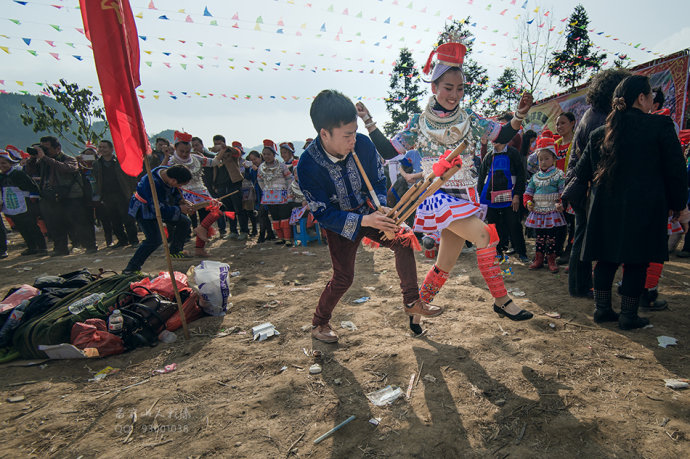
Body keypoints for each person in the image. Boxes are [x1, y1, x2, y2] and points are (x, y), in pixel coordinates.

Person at [356, 41, 534, 325]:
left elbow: (500, 135)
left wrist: (520, 115)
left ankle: (417, 310)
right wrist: (369, 122)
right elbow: (390, 151)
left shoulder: (470, 119)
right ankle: (502, 301)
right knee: (485, 236)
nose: (454, 94)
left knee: (444, 263)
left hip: (465, 198)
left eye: (460, 88)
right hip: (437, 197)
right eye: (448, 88)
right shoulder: (418, 122)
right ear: (434, 88)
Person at [298, 89, 438, 342]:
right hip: (339, 224)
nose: (353, 140)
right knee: (343, 278)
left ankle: (411, 301)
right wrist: (363, 221)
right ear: (325, 134)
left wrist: (381, 206)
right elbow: (322, 212)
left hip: (370, 210)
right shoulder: (307, 164)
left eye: (354, 132)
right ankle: (320, 323)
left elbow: (377, 179)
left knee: (403, 238)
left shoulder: (362, 144)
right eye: (347, 135)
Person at [572, 75, 687, 330]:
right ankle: (628, 314)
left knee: (605, 259)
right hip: (644, 207)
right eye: (650, 97)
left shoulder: (601, 133)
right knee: (637, 261)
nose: (651, 103)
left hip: (604, 207)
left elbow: (582, 171)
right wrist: (681, 205)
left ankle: (602, 309)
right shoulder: (660, 126)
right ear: (641, 98)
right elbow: (676, 170)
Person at [564, 68, 630, 298]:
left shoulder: (590, 114)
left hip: (581, 183)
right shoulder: (603, 118)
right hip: (590, 186)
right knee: (585, 238)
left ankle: (578, 285)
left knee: (581, 236)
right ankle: (581, 286)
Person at [24, 136, 97, 256]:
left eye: (46, 148)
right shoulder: (42, 162)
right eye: (42, 148)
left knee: (80, 223)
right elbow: (30, 172)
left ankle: (90, 246)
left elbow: (67, 168)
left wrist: (45, 158)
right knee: (55, 224)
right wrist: (32, 158)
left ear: (58, 148)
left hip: (71, 197)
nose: (44, 151)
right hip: (51, 197)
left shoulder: (68, 159)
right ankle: (60, 248)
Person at [123, 164, 193, 273]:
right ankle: (131, 268)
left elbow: (175, 191)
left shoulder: (167, 171)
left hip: (163, 205)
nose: (180, 187)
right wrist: (179, 209)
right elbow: (158, 210)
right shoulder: (151, 184)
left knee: (184, 222)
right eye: (180, 185)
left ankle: (175, 251)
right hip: (144, 209)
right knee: (154, 240)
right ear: (174, 181)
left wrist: (180, 200)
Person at [164, 131, 223, 256]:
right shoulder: (170, 162)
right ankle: (175, 250)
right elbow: (161, 174)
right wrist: (165, 156)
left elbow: (214, 162)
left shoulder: (196, 158)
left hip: (201, 192)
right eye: (182, 151)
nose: (185, 154)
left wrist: (223, 149)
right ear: (175, 148)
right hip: (181, 194)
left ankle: (199, 248)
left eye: (187, 151)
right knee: (183, 222)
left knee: (214, 212)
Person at [477, 137, 528, 263]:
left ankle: (521, 252)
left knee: (514, 224)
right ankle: (497, 252)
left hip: (510, 196)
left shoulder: (513, 153)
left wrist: (517, 195)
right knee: (494, 225)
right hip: (491, 197)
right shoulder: (489, 156)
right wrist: (480, 199)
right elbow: (481, 177)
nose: (494, 141)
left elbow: (521, 174)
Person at [523, 135, 566, 273]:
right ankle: (539, 259)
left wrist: (561, 203)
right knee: (540, 237)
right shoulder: (535, 177)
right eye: (541, 159)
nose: (543, 162)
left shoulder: (559, 175)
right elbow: (528, 193)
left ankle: (551, 259)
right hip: (538, 211)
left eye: (547, 158)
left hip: (552, 211)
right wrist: (528, 202)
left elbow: (562, 192)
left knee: (551, 237)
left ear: (553, 158)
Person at [92, 140, 139, 248]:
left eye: (105, 147)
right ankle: (122, 240)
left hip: (122, 193)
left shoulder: (120, 161)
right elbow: (95, 180)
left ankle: (134, 240)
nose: (102, 149)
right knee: (114, 220)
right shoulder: (96, 164)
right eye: (100, 147)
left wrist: (132, 190)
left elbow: (130, 177)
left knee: (128, 219)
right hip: (107, 195)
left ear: (111, 149)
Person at [0, 149, 46, 256]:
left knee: (32, 226)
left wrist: (33, 199)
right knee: (21, 227)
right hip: (11, 204)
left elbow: (32, 186)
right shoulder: (1, 177)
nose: (2, 165)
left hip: (25, 203)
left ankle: (42, 248)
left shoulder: (19, 174)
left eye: (4, 163)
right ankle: (32, 247)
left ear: (10, 163)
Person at [211, 135, 248, 240]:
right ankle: (233, 231)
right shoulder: (215, 157)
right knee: (228, 209)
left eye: (219, 143)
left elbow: (237, 152)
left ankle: (244, 231)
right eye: (216, 144)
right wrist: (215, 184)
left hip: (234, 183)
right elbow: (214, 170)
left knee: (239, 208)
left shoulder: (231, 153)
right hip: (221, 185)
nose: (217, 146)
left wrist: (225, 147)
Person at [258, 139, 294, 246]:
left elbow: (289, 179)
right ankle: (280, 237)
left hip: (282, 194)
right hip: (269, 196)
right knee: (275, 216)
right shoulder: (261, 168)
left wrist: (288, 192)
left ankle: (287, 238)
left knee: (284, 215)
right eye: (264, 154)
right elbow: (260, 181)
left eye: (268, 154)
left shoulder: (281, 166)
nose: (266, 156)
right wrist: (266, 189)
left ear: (273, 154)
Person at [247, 150, 276, 243]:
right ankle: (269, 233)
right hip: (258, 194)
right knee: (263, 215)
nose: (254, 161)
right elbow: (248, 178)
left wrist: (258, 170)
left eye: (255, 159)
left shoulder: (264, 166)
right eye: (251, 160)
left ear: (260, 157)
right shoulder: (253, 169)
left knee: (262, 214)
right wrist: (247, 169)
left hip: (267, 193)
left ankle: (262, 234)